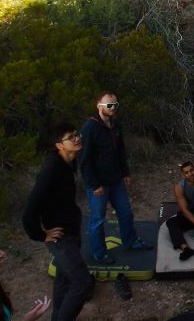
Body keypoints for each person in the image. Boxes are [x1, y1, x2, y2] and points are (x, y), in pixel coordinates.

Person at [22, 123, 93, 321]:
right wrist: (41, 234)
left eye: (76, 134)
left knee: (63, 278)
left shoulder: (69, 162)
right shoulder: (50, 170)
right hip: (60, 236)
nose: (77, 138)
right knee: (82, 282)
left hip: (71, 227)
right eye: (71, 137)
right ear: (59, 145)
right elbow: (29, 211)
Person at [79, 92, 151, 265]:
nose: (113, 109)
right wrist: (94, 184)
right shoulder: (90, 128)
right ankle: (99, 253)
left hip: (116, 180)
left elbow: (120, 152)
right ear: (99, 106)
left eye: (115, 105)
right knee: (98, 219)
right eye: (109, 105)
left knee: (126, 213)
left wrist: (125, 173)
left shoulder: (115, 125)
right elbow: (84, 160)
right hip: (99, 184)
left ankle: (130, 241)